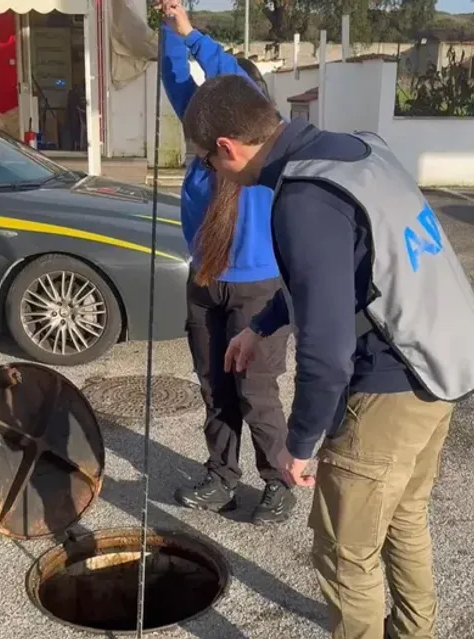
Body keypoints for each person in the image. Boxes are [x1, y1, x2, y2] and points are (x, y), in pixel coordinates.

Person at [182, 73, 474, 639]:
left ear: (227, 148)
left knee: (344, 553)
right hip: (443, 360)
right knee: (403, 519)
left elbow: (328, 353)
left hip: (393, 382)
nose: (212, 173)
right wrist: (261, 325)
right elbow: (340, 277)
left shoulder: (303, 198)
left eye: (207, 162)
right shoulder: (357, 149)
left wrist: (300, 444)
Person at [156, 0, 295, 525]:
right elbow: (175, 78)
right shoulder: (204, 144)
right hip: (206, 281)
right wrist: (169, 28)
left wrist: (192, 33)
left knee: (255, 390)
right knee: (214, 385)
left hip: (258, 289)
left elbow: (233, 81)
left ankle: (279, 481)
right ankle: (221, 477)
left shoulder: (265, 147)